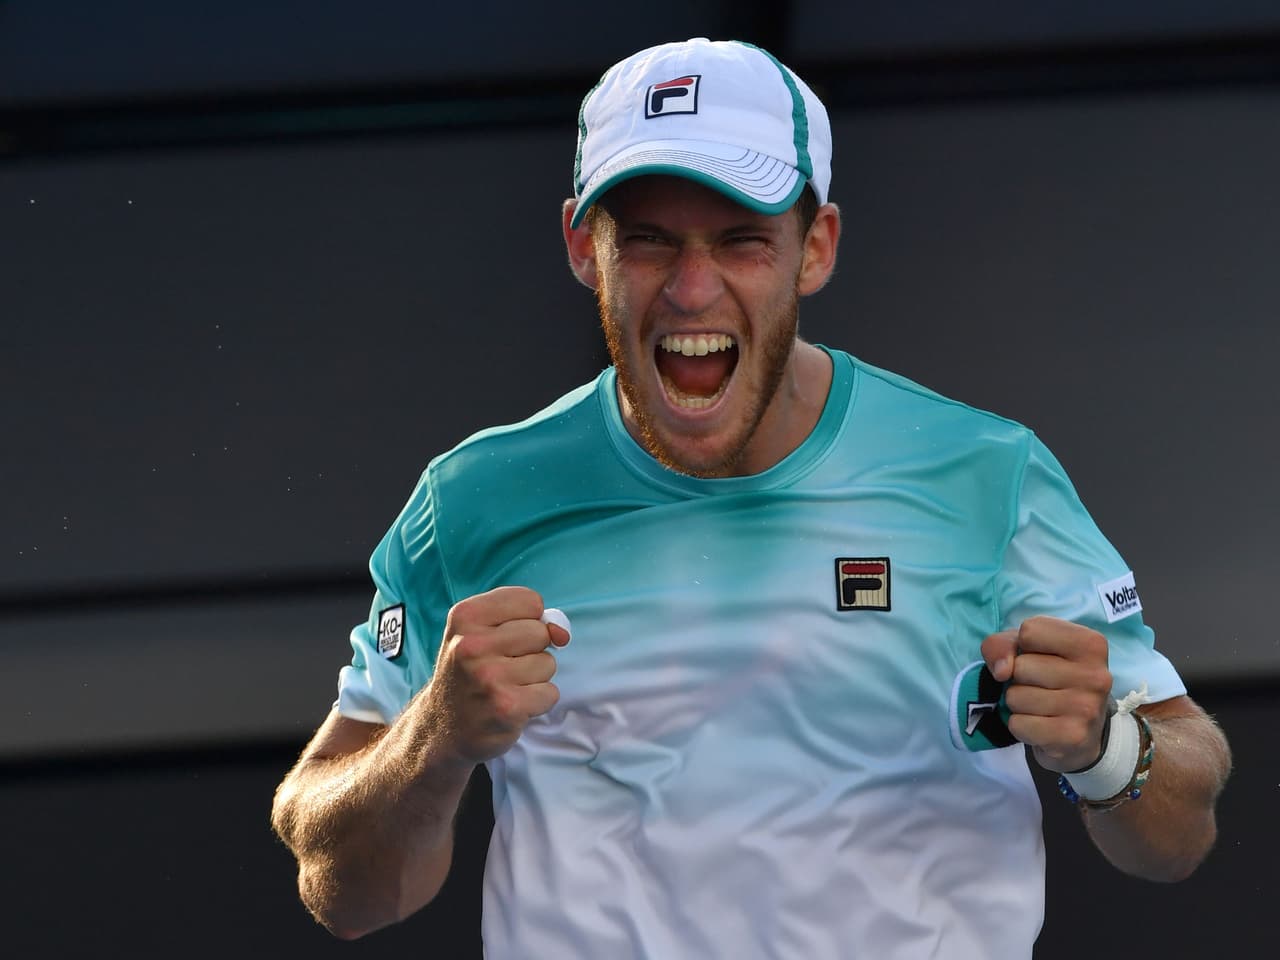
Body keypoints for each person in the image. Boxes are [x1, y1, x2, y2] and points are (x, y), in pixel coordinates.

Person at [271, 38, 1231, 958]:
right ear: (581, 245)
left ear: (816, 247)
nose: (693, 290)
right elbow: (343, 893)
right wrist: (436, 738)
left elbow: (1178, 832)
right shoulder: (475, 498)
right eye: (647, 242)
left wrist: (1107, 748)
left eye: (741, 241)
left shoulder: (988, 473)